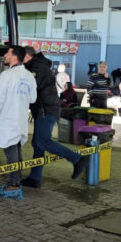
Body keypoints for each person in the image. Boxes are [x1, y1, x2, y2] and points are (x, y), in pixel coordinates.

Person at [21, 46, 89, 189]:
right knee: (37, 144)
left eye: (22, 57)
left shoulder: (37, 66)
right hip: (44, 109)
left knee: (42, 142)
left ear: (27, 56)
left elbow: (32, 87)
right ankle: (35, 178)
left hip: (46, 109)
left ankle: (77, 159)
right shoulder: (37, 65)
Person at [0, 45, 37, 199]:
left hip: (8, 121)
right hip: (20, 121)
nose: (5, 55)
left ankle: (14, 186)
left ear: (14, 57)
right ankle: (16, 182)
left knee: (11, 154)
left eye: (8, 53)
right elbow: (33, 98)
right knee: (16, 151)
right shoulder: (29, 76)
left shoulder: (6, 75)